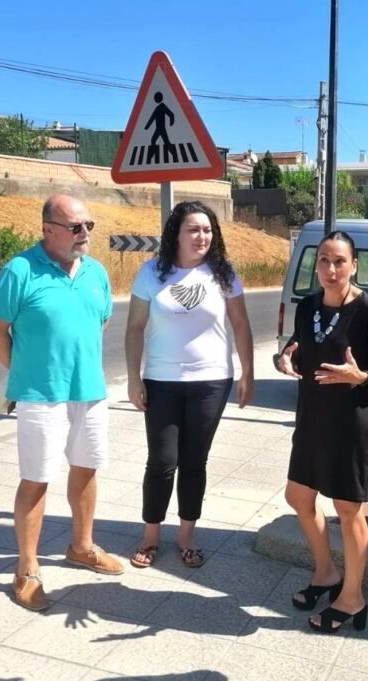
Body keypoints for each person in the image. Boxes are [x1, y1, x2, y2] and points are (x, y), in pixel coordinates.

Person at [0, 193, 123, 612]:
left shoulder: (96, 272)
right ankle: (26, 570)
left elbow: (101, 321)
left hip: (90, 391)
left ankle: (81, 546)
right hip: (41, 397)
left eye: (89, 226)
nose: (85, 235)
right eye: (75, 227)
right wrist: (25, 371)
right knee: (37, 478)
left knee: (86, 468)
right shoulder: (19, 270)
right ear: (48, 229)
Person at [274, 231, 368, 634]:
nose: (330, 268)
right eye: (323, 260)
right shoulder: (307, 308)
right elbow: (296, 348)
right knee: (299, 496)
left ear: (354, 265)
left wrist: (361, 376)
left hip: (353, 424)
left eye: (339, 261)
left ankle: (353, 597)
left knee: (349, 511)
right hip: (312, 419)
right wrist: (284, 358)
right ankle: (326, 572)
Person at [125, 200, 254, 569]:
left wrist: (248, 373)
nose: (202, 237)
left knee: (195, 460)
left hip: (211, 381)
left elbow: (241, 325)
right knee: (162, 461)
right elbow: (135, 328)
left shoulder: (224, 273)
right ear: (176, 234)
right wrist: (134, 378)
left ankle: (186, 536)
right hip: (162, 379)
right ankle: (151, 537)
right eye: (193, 229)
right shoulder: (152, 273)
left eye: (208, 230)